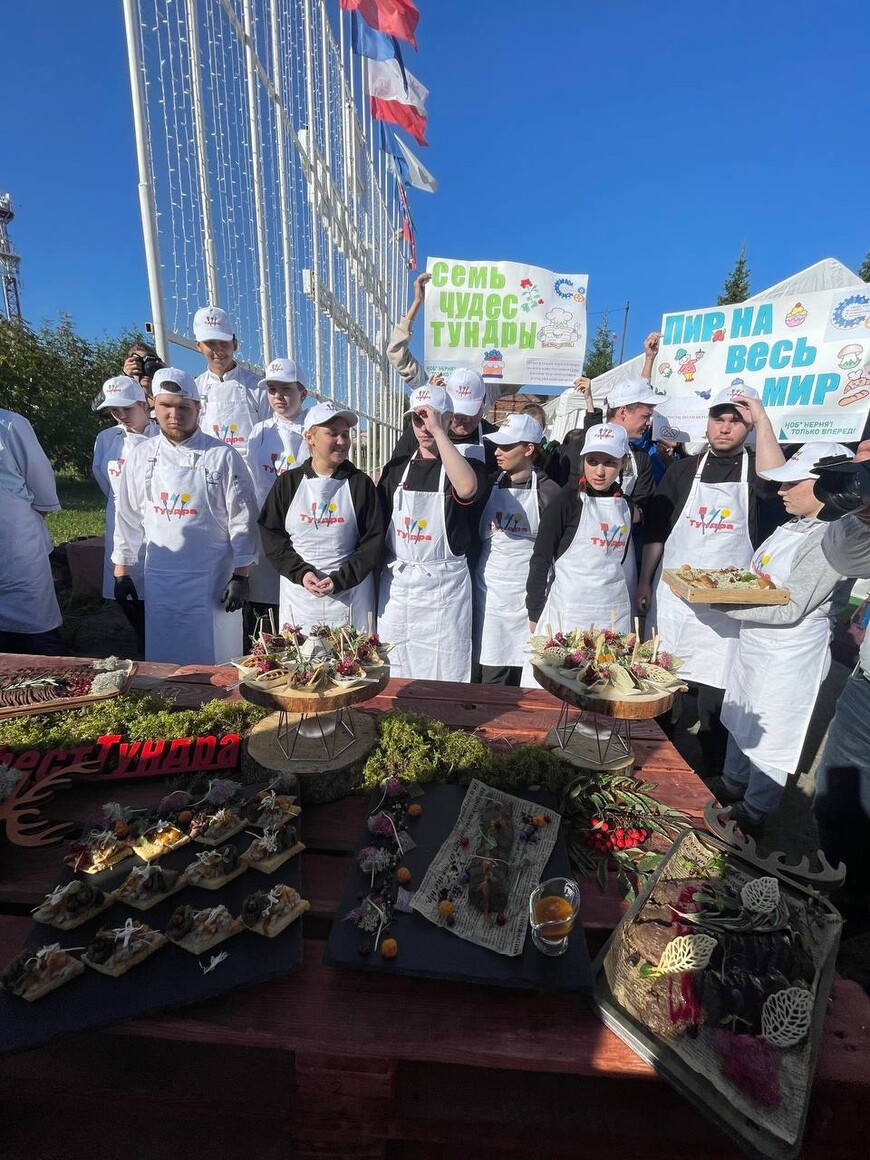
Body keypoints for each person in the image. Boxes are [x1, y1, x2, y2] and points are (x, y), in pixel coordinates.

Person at [710, 426, 855, 837]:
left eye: (793, 482)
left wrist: (720, 600)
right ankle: (732, 782)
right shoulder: (792, 526)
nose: (782, 491)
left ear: (824, 485)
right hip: (756, 644)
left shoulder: (833, 537)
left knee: (773, 733)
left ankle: (756, 810)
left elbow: (791, 605)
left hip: (791, 653)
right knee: (743, 716)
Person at [636, 385, 784, 774]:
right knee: (664, 680)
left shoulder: (757, 471)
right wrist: (644, 582)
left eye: (737, 420)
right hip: (675, 602)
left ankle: (713, 769)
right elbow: (657, 531)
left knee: (716, 695)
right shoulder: (685, 469)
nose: (725, 427)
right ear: (708, 421)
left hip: (727, 606)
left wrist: (762, 418)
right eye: (719, 418)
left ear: (749, 426)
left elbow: (776, 480)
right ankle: (657, 754)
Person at [112, 368, 259, 665]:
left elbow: (243, 520)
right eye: (166, 406)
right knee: (165, 657)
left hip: (213, 578)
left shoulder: (223, 456)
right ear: (154, 406)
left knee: (217, 660)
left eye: (183, 407)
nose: (174, 414)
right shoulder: (142, 456)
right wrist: (122, 572)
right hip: (161, 577)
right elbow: (127, 516)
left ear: (198, 409)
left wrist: (242, 576)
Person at [377, 384, 488, 681]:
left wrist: (440, 433)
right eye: (418, 419)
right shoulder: (397, 469)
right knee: (394, 664)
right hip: (400, 587)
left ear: (449, 419)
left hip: (444, 589)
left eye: (433, 418)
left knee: (444, 670)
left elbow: (466, 488)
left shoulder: (468, 465)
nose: (425, 426)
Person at [257, 401, 384, 634]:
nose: (342, 441)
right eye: (332, 433)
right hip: (300, 597)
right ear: (310, 437)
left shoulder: (359, 484)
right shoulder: (288, 483)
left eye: (346, 434)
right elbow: (272, 535)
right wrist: (301, 573)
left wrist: (341, 579)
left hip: (349, 597)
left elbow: (372, 541)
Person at [811, 449, 870, 931]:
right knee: (835, 800)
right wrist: (863, 509)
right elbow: (843, 553)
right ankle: (844, 902)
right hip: (866, 686)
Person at [525, 424, 640, 672]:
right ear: (583, 461)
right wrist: (534, 610)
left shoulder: (626, 508)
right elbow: (541, 558)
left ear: (622, 464)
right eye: (592, 461)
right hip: (568, 612)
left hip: (612, 613)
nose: (599, 471)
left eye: (609, 462)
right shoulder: (565, 502)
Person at [475, 413, 563, 686]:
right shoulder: (489, 484)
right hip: (490, 594)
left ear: (528, 449)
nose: (498, 453)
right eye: (497, 446)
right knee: (491, 676)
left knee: (527, 677)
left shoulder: (550, 492)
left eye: (506, 446)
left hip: (529, 596)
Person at [244, 358, 311, 638]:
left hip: (304, 523)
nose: (278, 397)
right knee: (266, 598)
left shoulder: (314, 425)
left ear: (302, 393)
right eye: (272, 390)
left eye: (286, 389)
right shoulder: (259, 432)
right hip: (268, 523)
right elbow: (251, 478)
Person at [91, 375, 158, 652]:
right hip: (120, 522)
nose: (120, 415)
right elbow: (102, 477)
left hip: (157, 524)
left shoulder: (162, 436)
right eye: (114, 410)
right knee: (126, 591)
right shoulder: (107, 439)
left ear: (143, 403)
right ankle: (142, 641)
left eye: (126, 408)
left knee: (157, 594)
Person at [0, 409, 64, 655]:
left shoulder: (10, 424)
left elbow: (41, 483)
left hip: (16, 543)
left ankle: (62, 687)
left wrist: (25, 523)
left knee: (36, 627)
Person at [193, 305, 269, 456]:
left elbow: (269, 435)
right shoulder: (194, 389)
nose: (218, 350)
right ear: (199, 346)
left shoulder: (258, 387)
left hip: (250, 472)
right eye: (211, 343)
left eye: (224, 342)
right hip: (210, 469)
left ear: (235, 343)